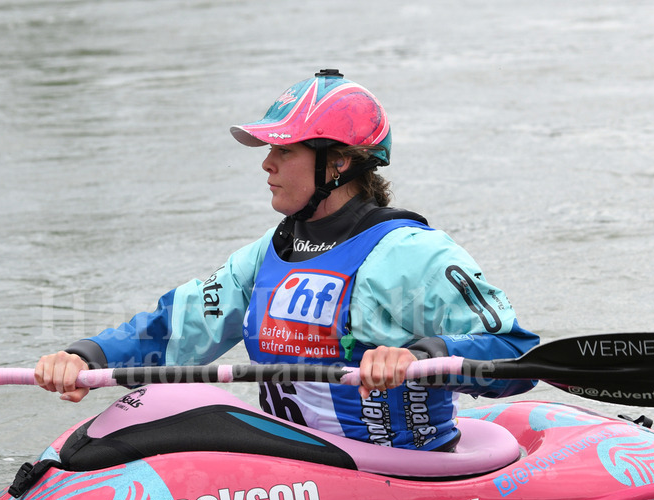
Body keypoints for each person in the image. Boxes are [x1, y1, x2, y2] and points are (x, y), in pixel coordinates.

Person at [35, 68, 539, 453]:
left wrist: (423, 357)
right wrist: (88, 356)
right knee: (162, 407)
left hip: (404, 473)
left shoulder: (411, 253)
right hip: (298, 468)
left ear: (338, 162)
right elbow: (175, 330)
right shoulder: (270, 252)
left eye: (285, 150)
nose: (266, 163)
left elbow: (514, 356)